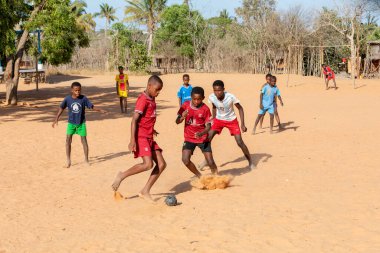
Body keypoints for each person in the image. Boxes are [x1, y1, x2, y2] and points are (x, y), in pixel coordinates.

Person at [111, 75, 166, 201]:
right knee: (148, 164)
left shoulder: (151, 98)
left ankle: (145, 190)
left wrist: (152, 129)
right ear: (149, 86)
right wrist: (132, 140)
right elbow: (134, 120)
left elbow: (147, 117)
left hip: (149, 136)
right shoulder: (143, 99)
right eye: (157, 90)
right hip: (141, 137)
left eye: (159, 91)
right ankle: (121, 175)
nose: (158, 93)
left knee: (162, 164)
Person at [198, 80, 255, 171]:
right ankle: (207, 160)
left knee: (239, 142)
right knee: (207, 139)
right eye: (215, 90)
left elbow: (240, 109)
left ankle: (250, 161)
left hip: (231, 120)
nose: (217, 93)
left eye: (219, 90)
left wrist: (242, 124)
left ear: (223, 89)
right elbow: (214, 106)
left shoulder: (231, 97)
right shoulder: (212, 97)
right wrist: (213, 118)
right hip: (218, 120)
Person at [52, 82, 106, 168]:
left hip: (81, 124)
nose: (78, 92)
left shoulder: (83, 98)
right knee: (68, 141)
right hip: (71, 123)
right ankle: (68, 161)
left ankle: (86, 160)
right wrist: (56, 118)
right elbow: (61, 108)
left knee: (84, 141)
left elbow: (91, 106)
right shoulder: (67, 99)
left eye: (79, 90)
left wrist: (99, 110)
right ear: (72, 90)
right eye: (76, 90)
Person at [176, 86, 218, 178]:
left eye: (199, 99)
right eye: (194, 99)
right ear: (191, 97)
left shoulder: (205, 109)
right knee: (185, 160)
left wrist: (201, 133)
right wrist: (182, 117)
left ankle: (216, 178)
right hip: (189, 138)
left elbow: (208, 126)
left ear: (203, 98)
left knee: (210, 162)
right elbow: (177, 121)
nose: (196, 101)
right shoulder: (185, 105)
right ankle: (199, 176)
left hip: (202, 139)